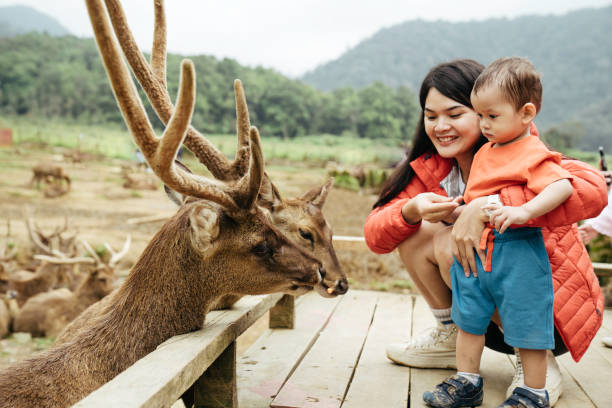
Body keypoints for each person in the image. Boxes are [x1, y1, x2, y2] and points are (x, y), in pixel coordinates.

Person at [364, 59, 607, 406]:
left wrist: (488, 206)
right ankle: (450, 334)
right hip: (482, 303)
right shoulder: (430, 167)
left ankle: (534, 361)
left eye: (455, 114)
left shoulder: (525, 151)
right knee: (420, 229)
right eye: (431, 116)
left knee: (453, 239)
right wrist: (410, 210)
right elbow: (375, 235)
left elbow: (592, 189)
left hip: (544, 311)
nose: (441, 126)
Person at [422, 57, 573, 408]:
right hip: (479, 253)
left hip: (518, 251)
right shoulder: (487, 152)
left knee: (525, 321)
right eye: (480, 115)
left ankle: (534, 390)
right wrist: (459, 209)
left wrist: (525, 211)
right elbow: (477, 198)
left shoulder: (533, 151)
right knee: (470, 318)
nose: (484, 124)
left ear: (526, 113)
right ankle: (468, 380)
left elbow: (561, 187)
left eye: (492, 116)